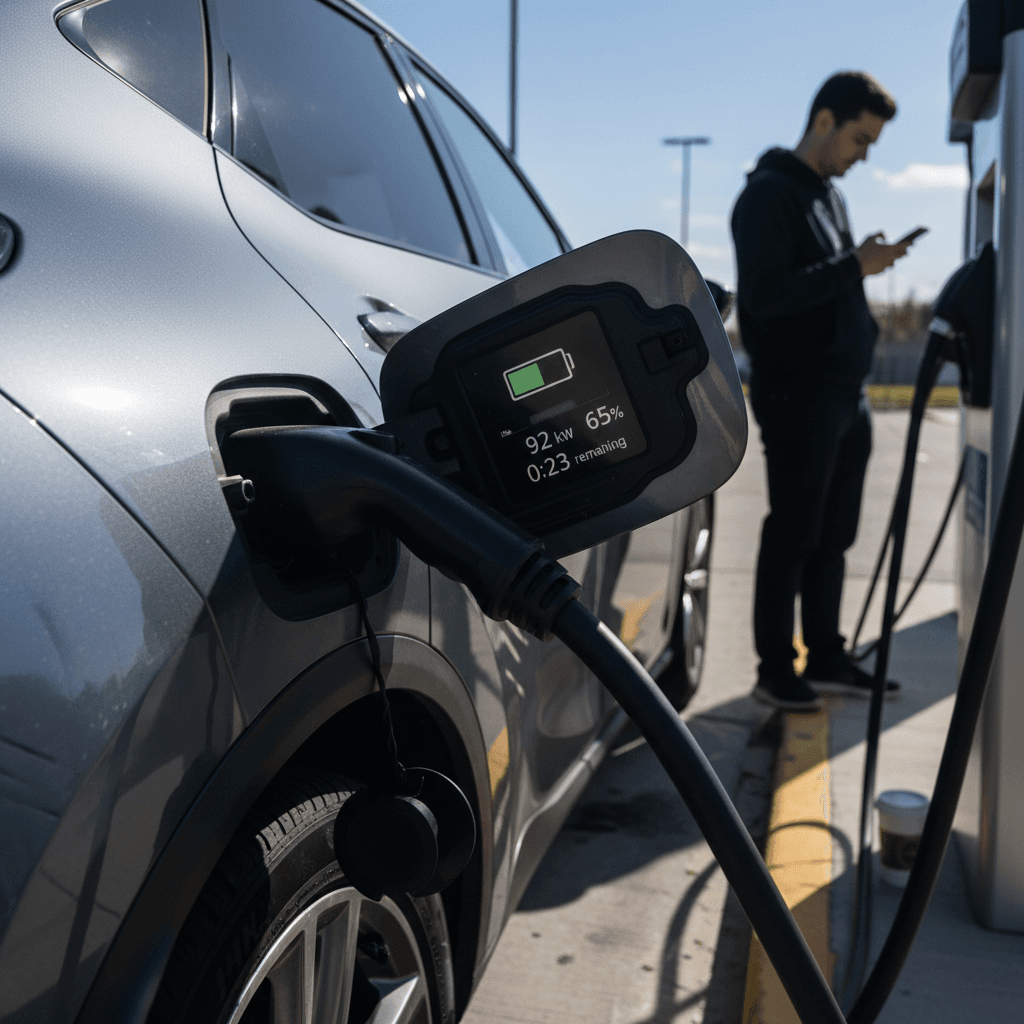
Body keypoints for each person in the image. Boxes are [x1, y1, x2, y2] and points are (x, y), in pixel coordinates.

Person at [731, 71, 912, 710]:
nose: (863, 155)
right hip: (798, 395)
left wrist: (863, 268)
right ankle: (775, 669)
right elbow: (765, 296)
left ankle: (827, 656)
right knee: (794, 534)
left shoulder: (827, 197)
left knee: (835, 535)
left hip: (844, 395)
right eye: (860, 139)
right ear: (826, 120)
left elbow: (828, 285)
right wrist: (854, 265)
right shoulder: (767, 196)